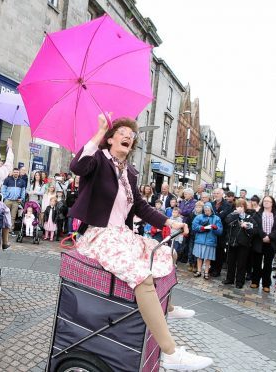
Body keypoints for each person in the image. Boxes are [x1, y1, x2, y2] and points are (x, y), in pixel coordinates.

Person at [69, 113, 211, 370]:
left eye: (132, 136)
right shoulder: (98, 160)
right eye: (122, 133)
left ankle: (165, 306)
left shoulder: (130, 172)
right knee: (142, 277)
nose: (128, 137)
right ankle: (170, 353)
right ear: (110, 139)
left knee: (168, 254)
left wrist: (170, 223)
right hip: (98, 233)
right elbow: (77, 167)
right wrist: (99, 130)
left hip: (121, 234)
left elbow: (142, 207)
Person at [250, 195, 276, 293]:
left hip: (271, 242)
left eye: (268, 201)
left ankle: (266, 284)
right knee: (256, 263)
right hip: (259, 241)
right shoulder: (257, 214)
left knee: (268, 264)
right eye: (265, 201)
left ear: (272, 203)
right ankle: (255, 281)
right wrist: (264, 236)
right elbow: (255, 226)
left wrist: (270, 237)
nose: (266, 203)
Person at [223, 199, 257, 289]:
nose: (239, 208)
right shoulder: (233, 215)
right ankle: (229, 279)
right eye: (238, 206)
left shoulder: (249, 217)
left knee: (241, 264)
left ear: (244, 207)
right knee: (231, 262)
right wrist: (234, 213)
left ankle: (239, 281)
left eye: (241, 206)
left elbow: (254, 230)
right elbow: (227, 220)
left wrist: (246, 227)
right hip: (232, 243)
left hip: (243, 244)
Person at [192, 202, 224, 280]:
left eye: (208, 210)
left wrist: (215, 228)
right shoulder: (199, 217)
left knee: (208, 258)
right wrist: (202, 228)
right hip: (200, 240)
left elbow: (220, 231)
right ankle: (199, 271)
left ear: (211, 210)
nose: (206, 211)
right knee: (199, 257)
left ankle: (206, 272)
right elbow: (194, 226)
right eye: (205, 210)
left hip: (210, 241)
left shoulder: (216, 218)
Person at [209, 188, 233, 277]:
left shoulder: (227, 205)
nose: (215, 194)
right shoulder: (211, 204)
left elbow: (222, 216)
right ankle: (212, 266)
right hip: (211, 230)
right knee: (212, 249)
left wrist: (214, 214)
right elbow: (208, 214)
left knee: (219, 251)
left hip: (222, 231)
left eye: (218, 193)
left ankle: (217, 269)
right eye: (214, 193)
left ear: (222, 194)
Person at [1, 167, 26, 235]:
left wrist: (22, 198)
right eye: (14, 172)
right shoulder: (7, 180)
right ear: (12, 172)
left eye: (17, 172)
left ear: (19, 173)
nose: (16, 173)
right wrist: (6, 197)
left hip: (16, 201)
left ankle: (10, 230)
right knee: (5, 215)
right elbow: (3, 189)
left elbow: (23, 191)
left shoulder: (22, 181)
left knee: (13, 216)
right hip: (8, 200)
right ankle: (3, 229)